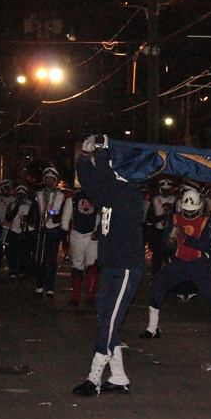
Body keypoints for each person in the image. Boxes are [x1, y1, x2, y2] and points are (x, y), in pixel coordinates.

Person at [72, 135, 145, 396]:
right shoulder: (112, 191)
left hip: (126, 265)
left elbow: (100, 179)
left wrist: (101, 154)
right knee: (106, 320)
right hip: (113, 263)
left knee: (109, 322)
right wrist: (84, 156)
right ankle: (118, 376)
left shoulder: (130, 194)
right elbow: (92, 182)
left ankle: (94, 378)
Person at [140, 188, 211, 339]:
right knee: (155, 287)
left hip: (200, 264)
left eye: (192, 210)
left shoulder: (206, 221)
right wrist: (170, 241)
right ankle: (152, 327)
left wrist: (184, 236)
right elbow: (165, 246)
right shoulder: (174, 219)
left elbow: (205, 245)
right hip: (179, 262)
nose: (189, 213)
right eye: (186, 210)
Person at [33, 167, 69, 298]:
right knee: (39, 260)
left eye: (51, 179)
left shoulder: (61, 196)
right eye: (46, 179)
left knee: (52, 261)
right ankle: (39, 285)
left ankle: (50, 287)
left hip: (54, 231)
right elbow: (34, 212)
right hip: (41, 231)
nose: (48, 181)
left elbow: (64, 214)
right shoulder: (38, 195)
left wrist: (54, 216)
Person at [63, 187, 100, 306]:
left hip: (92, 235)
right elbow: (65, 221)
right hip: (77, 235)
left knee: (93, 264)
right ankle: (75, 295)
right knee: (77, 264)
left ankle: (90, 295)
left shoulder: (98, 198)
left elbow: (103, 217)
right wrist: (65, 237)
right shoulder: (72, 199)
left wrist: (98, 232)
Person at [5, 185, 36, 279]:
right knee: (12, 253)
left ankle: (23, 270)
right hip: (14, 231)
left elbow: (32, 220)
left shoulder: (30, 205)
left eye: (22, 195)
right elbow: (9, 217)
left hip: (26, 232)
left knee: (24, 253)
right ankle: (13, 270)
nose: (20, 197)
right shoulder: (12, 205)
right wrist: (17, 205)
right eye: (19, 195)